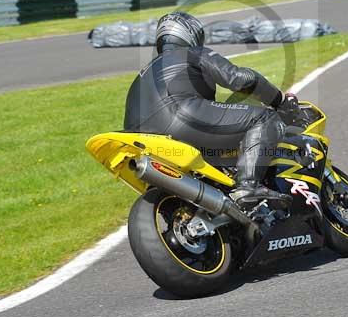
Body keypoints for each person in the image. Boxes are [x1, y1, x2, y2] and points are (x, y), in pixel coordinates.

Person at [123, 11, 294, 205]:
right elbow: (241, 79)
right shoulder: (192, 53)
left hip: (141, 138)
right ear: (192, 34)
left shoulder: (141, 74)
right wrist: (280, 100)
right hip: (181, 119)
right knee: (264, 118)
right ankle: (249, 186)